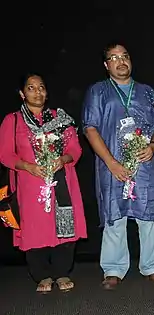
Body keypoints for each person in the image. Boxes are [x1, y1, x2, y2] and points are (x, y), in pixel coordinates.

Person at [82, 43, 154, 290]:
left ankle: (151, 265)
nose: (121, 62)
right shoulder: (97, 91)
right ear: (106, 64)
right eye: (114, 58)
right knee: (114, 215)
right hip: (113, 164)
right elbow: (90, 128)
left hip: (145, 163)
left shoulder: (148, 92)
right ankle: (113, 269)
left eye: (125, 57)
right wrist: (111, 163)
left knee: (148, 216)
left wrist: (153, 146)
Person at [0, 73, 87, 293]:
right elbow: (5, 155)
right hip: (30, 183)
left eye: (41, 87)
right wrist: (28, 166)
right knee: (35, 228)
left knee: (66, 225)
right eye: (31, 88)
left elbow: (75, 149)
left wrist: (63, 159)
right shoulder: (13, 120)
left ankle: (62, 272)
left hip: (62, 180)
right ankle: (42, 275)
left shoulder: (60, 117)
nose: (37, 92)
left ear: (46, 93)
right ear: (22, 93)